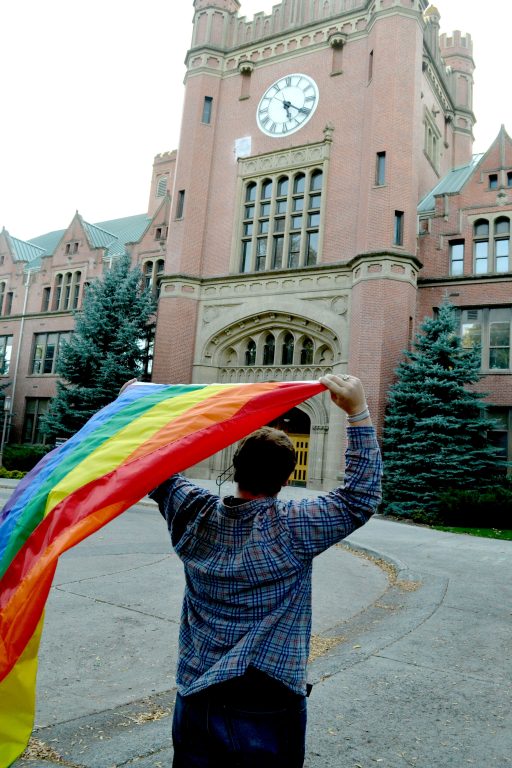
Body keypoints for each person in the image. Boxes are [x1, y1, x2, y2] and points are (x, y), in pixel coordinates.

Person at [149, 373, 382, 768]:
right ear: (288, 476)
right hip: (268, 692)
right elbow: (360, 497)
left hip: (196, 688)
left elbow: (156, 470)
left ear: (235, 468)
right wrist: (358, 413)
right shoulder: (293, 524)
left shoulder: (193, 511)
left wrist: (136, 409)